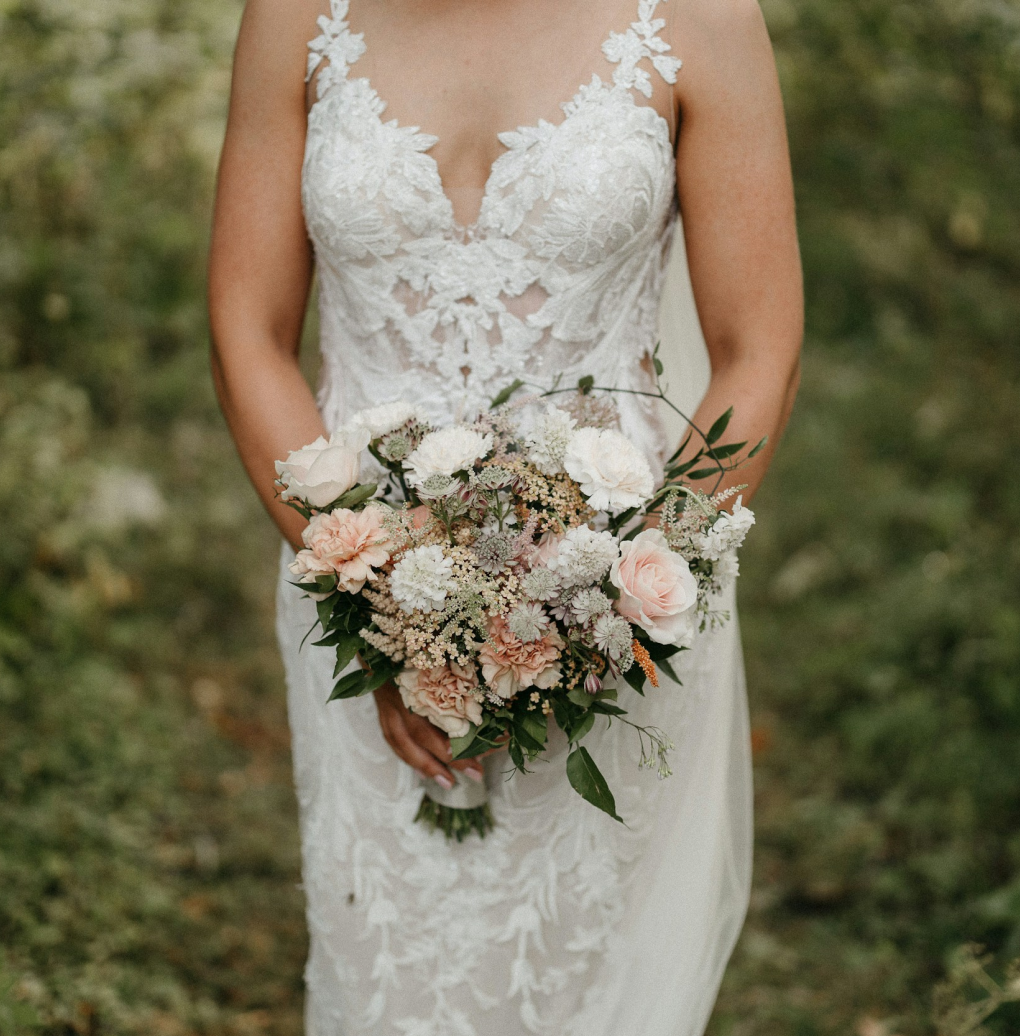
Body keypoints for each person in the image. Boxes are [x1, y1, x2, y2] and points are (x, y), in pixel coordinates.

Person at [208, 0, 802, 1031]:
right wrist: (380, 600)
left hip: (619, 604)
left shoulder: (701, 18)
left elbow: (759, 347)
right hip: (357, 577)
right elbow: (246, 328)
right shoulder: (299, 15)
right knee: (390, 968)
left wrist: (621, 600)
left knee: (583, 976)